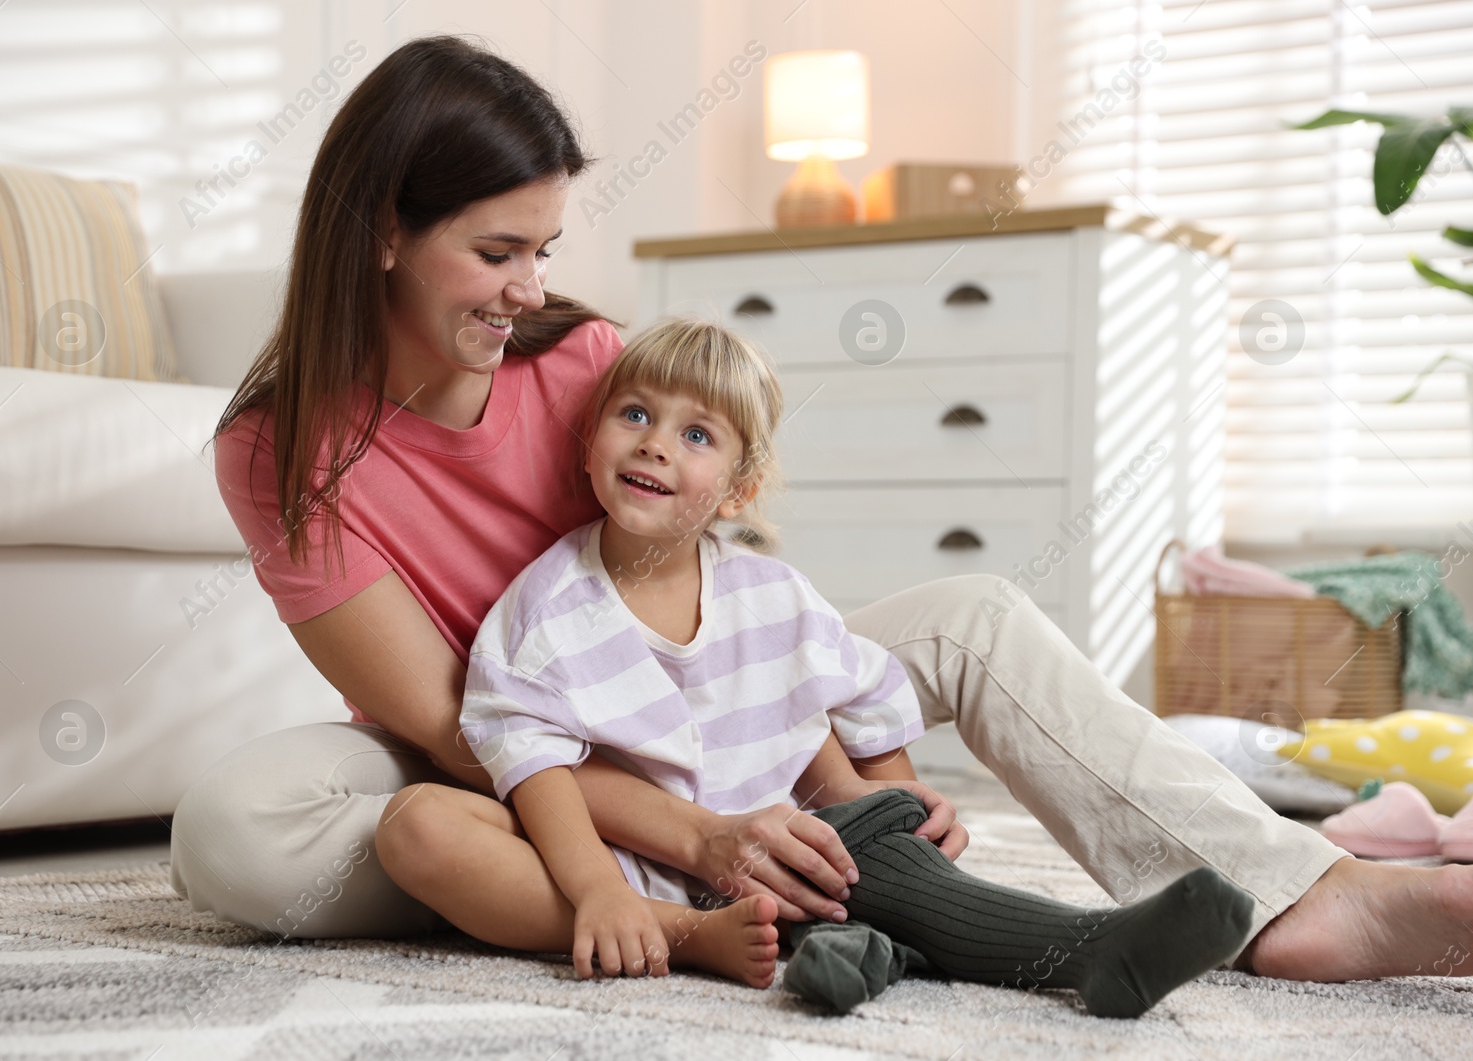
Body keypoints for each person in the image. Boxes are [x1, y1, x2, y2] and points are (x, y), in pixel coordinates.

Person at [170, 33, 1473, 987]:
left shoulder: (582, 362)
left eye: (545, 250)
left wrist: (858, 771)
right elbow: (458, 723)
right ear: (381, 233)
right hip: (515, 746)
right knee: (238, 835)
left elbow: (729, 576)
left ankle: (1313, 890)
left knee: (970, 615)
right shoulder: (281, 447)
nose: (527, 288)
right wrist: (703, 828)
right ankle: (688, 902)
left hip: (695, 690)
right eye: (494, 253)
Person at [417, 315, 1257, 1016]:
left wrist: (885, 802)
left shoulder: (771, 594)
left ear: (738, 488)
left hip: (793, 855)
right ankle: (1084, 948)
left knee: (874, 846)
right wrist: (600, 893)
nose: (657, 445)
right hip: (654, 872)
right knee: (428, 832)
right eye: (634, 414)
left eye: (696, 433)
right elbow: (534, 764)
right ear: (591, 444)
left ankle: (865, 951)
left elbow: (845, 701)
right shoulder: (548, 610)